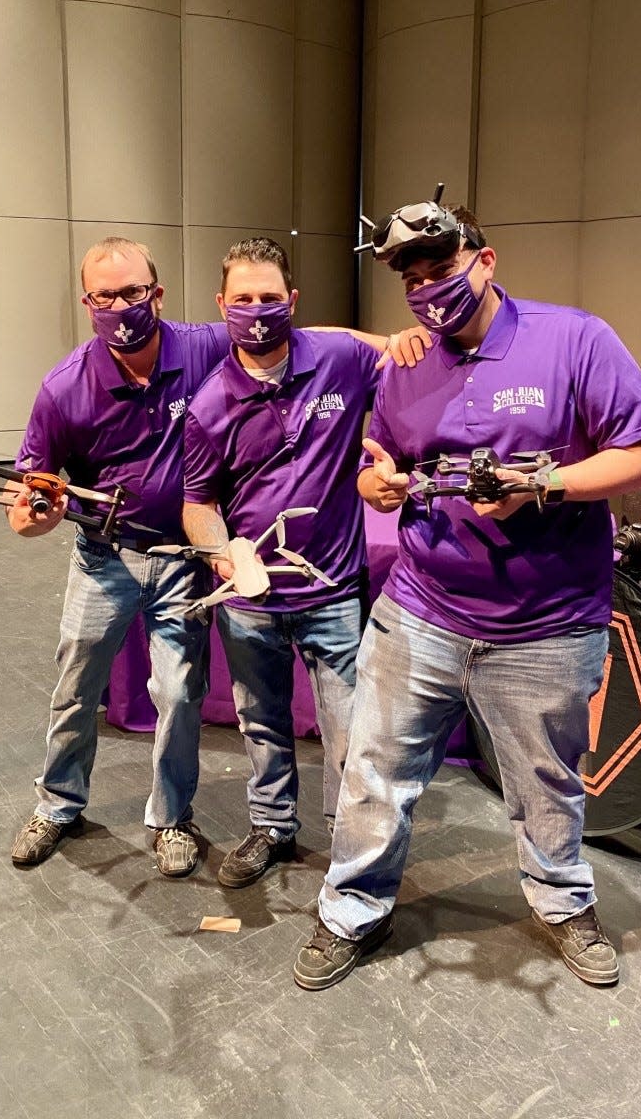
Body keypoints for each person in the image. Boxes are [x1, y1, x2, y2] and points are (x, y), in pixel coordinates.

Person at [292, 196, 641, 990]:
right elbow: (378, 454)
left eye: (444, 268)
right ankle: (350, 908)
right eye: (414, 278)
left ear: (486, 261)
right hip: (421, 609)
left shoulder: (575, 339)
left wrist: (549, 485)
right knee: (375, 771)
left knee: (548, 780)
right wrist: (377, 482)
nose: (430, 288)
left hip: (548, 624)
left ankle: (563, 903)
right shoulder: (406, 364)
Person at [181, 237, 426, 888]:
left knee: (351, 732)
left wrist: (400, 341)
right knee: (260, 725)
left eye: (269, 298)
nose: (256, 311)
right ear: (221, 305)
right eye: (242, 300)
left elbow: (407, 369)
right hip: (250, 604)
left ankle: (350, 848)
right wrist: (220, 554)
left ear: (293, 302)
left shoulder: (339, 359)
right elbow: (198, 503)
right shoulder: (208, 407)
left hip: (333, 595)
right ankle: (271, 830)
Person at [8, 237, 230, 876]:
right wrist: (34, 516)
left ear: (157, 293)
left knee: (181, 693)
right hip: (104, 560)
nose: (122, 305)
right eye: (106, 295)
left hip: (184, 560)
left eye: (134, 292)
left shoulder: (204, 347)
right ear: (88, 303)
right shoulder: (63, 389)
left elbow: (291, 335)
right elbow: (30, 504)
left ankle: (171, 818)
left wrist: (386, 345)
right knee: (75, 685)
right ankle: (57, 803)